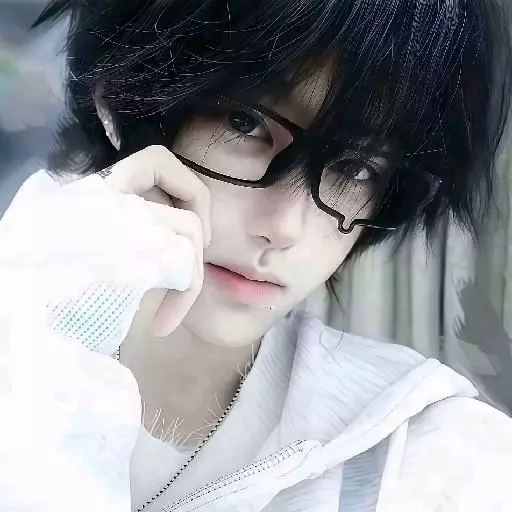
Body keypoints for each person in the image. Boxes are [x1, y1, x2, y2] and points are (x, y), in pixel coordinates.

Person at [1, 0, 512, 511]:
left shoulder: (430, 460)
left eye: (356, 169)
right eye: (244, 123)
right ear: (118, 99)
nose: (285, 228)